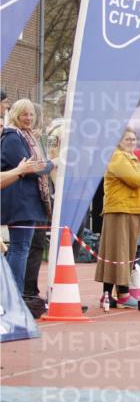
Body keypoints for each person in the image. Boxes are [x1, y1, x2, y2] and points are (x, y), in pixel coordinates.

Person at [95, 129, 140, 308]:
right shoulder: (116, 157)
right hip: (120, 210)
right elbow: (137, 180)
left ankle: (107, 295)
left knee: (121, 253)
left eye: (133, 139)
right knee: (119, 252)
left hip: (132, 209)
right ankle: (122, 294)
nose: (131, 142)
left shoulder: (129, 157)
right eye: (127, 139)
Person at [0, 99, 53, 292]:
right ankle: (15, 295)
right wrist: (52, 163)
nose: (29, 118)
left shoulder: (26, 136)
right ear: (15, 114)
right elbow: (29, 167)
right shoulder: (13, 137)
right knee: (19, 248)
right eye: (24, 114)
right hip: (20, 203)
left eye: (31, 114)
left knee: (20, 248)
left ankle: (13, 293)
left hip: (26, 202)